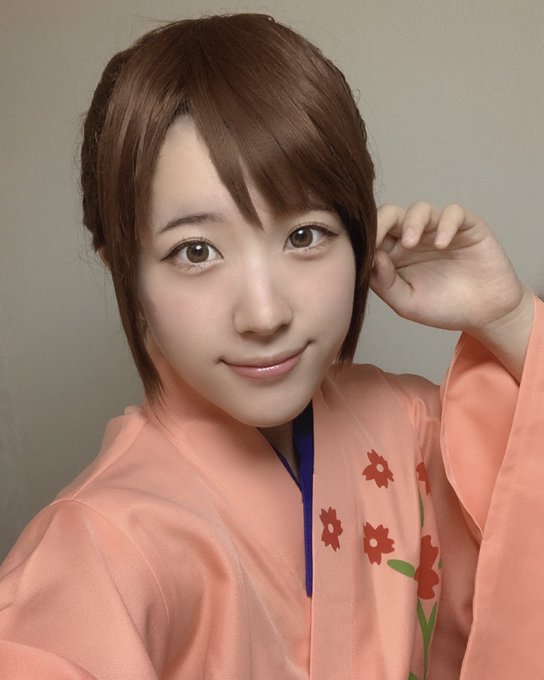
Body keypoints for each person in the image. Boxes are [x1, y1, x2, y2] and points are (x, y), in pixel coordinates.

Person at [0, 13, 541, 680]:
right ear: (125, 271)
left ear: (359, 235)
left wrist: (512, 320)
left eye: (305, 235)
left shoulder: (408, 427)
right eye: (195, 251)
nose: (264, 314)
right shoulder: (93, 553)